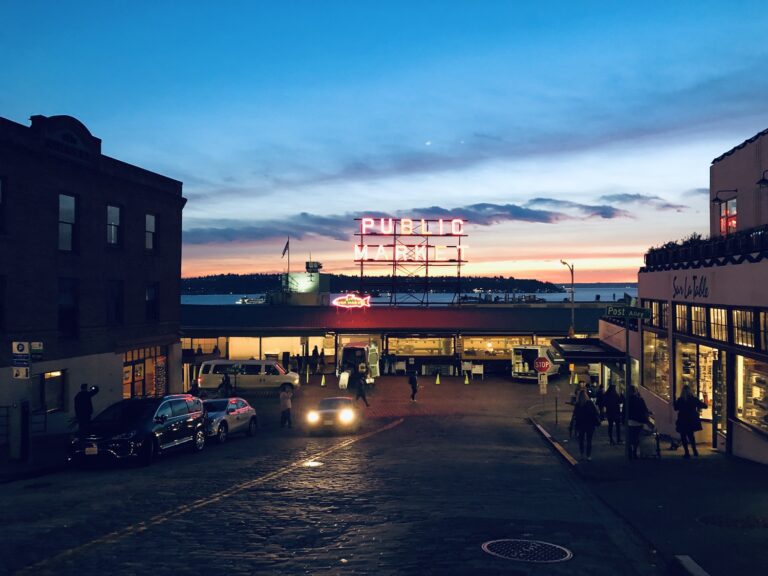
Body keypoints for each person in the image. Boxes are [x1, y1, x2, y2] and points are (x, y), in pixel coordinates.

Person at [674, 385, 707, 458]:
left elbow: (675, 408)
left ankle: (687, 452)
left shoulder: (680, 400)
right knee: (691, 436)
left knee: (683, 436)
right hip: (691, 420)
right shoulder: (693, 399)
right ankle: (695, 451)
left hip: (682, 419)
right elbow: (704, 406)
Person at [572, 390, 601, 460]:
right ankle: (588, 455)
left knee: (581, 440)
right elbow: (595, 413)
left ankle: (582, 453)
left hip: (581, 424)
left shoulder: (578, 404)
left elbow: (575, 414)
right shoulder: (590, 403)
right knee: (589, 440)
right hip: (589, 424)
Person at [624, 386, 650, 460]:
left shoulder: (627, 400)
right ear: (635, 391)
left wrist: (623, 421)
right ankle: (634, 452)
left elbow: (624, 412)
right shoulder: (640, 400)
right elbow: (645, 410)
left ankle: (630, 452)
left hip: (630, 421)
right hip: (638, 422)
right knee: (636, 438)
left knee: (630, 438)